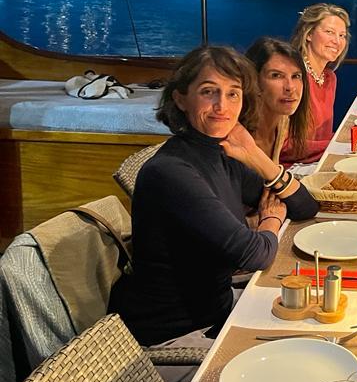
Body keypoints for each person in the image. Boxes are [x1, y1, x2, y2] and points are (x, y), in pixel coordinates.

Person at [109, 46, 318, 347]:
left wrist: (255, 156)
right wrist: (270, 220)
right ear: (180, 98)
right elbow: (254, 254)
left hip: (219, 311)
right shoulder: (171, 172)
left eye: (233, 94)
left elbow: (305, 207)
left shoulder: (221, 151)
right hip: (174, 336)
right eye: (209, 92)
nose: (222, 105)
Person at [290, 3, 350, 163]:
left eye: (342, 35)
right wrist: (341, 146)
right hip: (291, 170)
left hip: (319, 161)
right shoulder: (293, 77)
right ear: (309, 33)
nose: (337, 41)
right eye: (329, 32)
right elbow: (283, 146)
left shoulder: (329, 78)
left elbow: (320, 138)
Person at [244, 36, 310, 165]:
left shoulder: (282, 121)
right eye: (276, 76)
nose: (290, 87)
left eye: (296, 76)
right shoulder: (239, 135)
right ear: (254, 81)